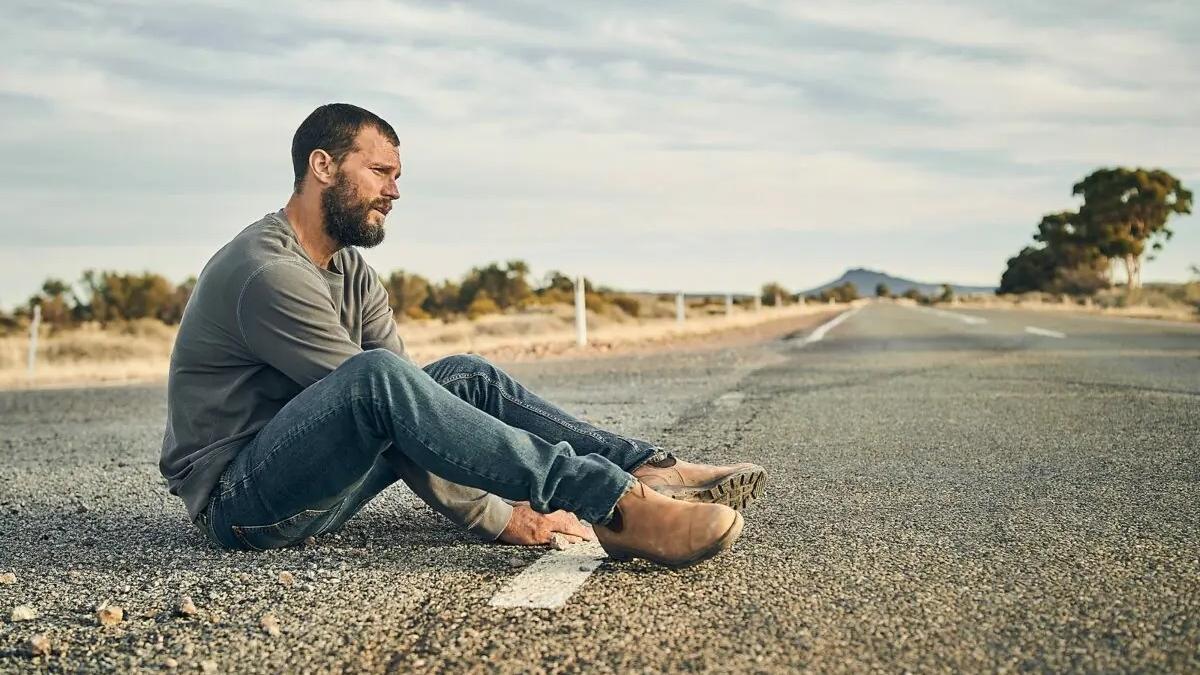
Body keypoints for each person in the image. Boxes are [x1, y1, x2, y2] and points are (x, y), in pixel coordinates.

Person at [159, 103, 767, 569]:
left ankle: (646, 469)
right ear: (323, 166)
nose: (394, 191)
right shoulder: (268, 273)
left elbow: (420, 406)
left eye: (397, 176)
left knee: (461, 376)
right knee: (378, 380)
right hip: (242, 505)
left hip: (314, 477)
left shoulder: (353, 271)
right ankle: (614, 505)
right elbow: (387, 408)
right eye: (379, 172)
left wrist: (491, 493)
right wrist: (504, 517)